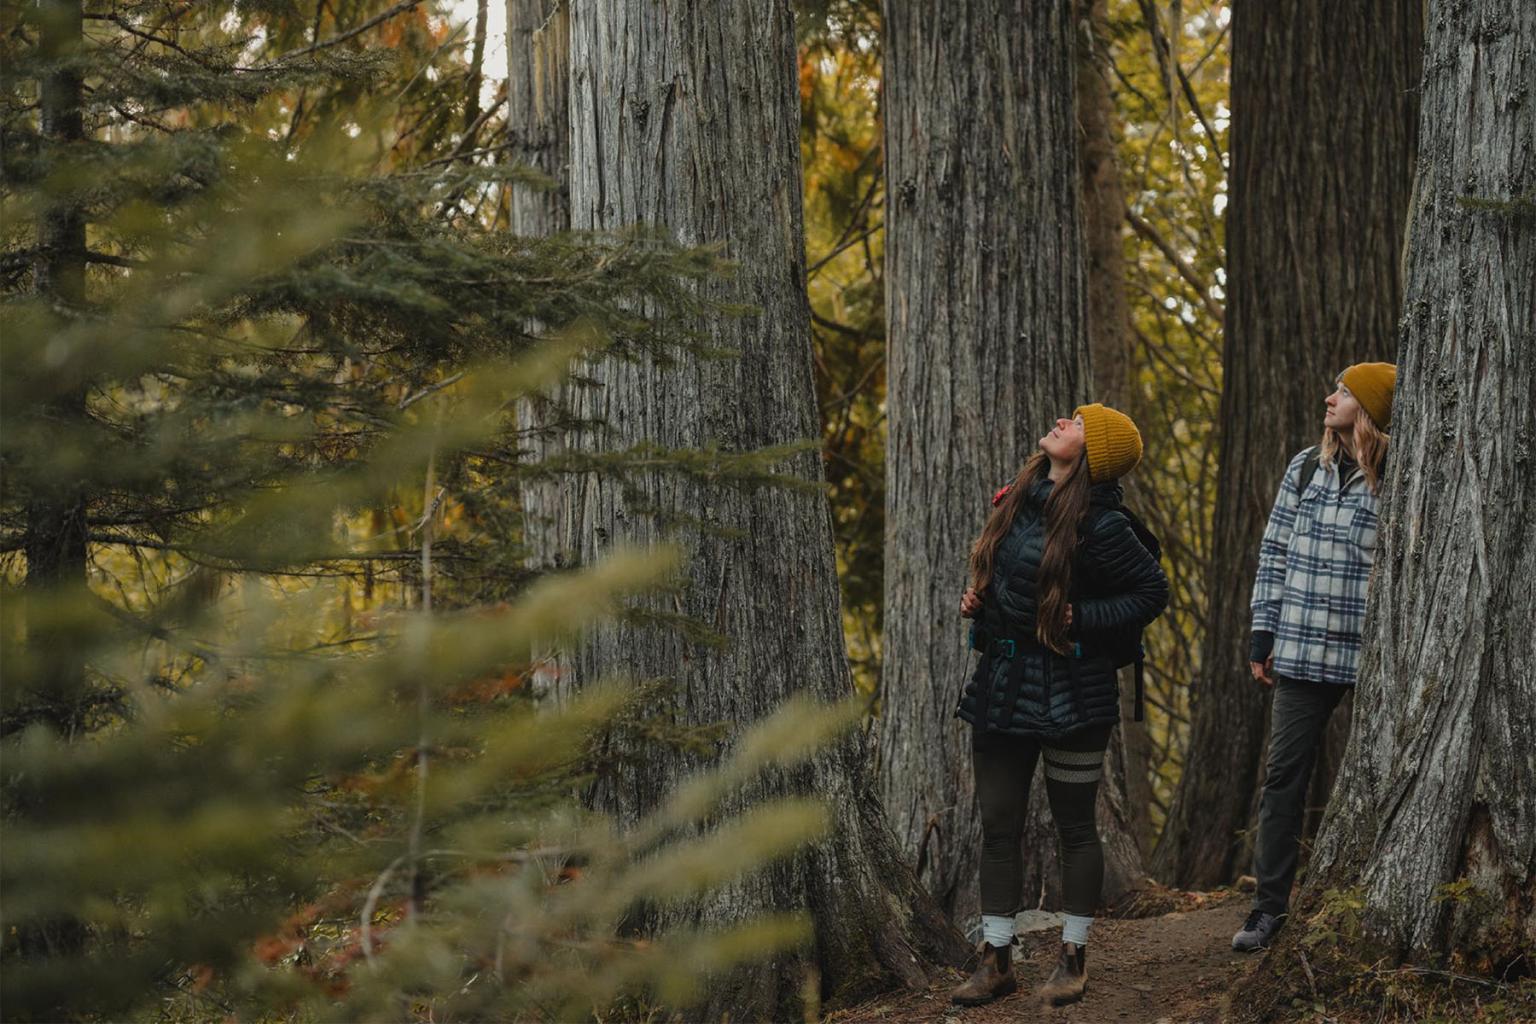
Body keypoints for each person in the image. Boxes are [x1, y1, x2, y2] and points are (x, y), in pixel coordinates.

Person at [951, 403, 1169, 1008]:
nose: (1062, 422)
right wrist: (981, 604)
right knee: (998, 824)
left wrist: (1084, 618)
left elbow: (1153, 590)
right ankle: (996, 960)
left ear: (1092, 453)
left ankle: (1072, 958)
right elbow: (1011, 578)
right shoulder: (1020, 496)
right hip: (1000, 686)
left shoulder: (1102, 524)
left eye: (1077, 422)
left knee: (1075, 827)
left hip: (1074, 691)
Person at [1232, 362, 1396, 953]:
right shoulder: (1306, 468)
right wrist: (1262, 635)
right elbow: (1273, 553)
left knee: (1385, 776)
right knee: (1283, 779)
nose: (1330, 398)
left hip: (1373, 664)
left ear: (1371, 407)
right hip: (1300, 650)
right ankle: (1268, 908)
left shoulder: (1401, 474)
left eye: (1345, 392)